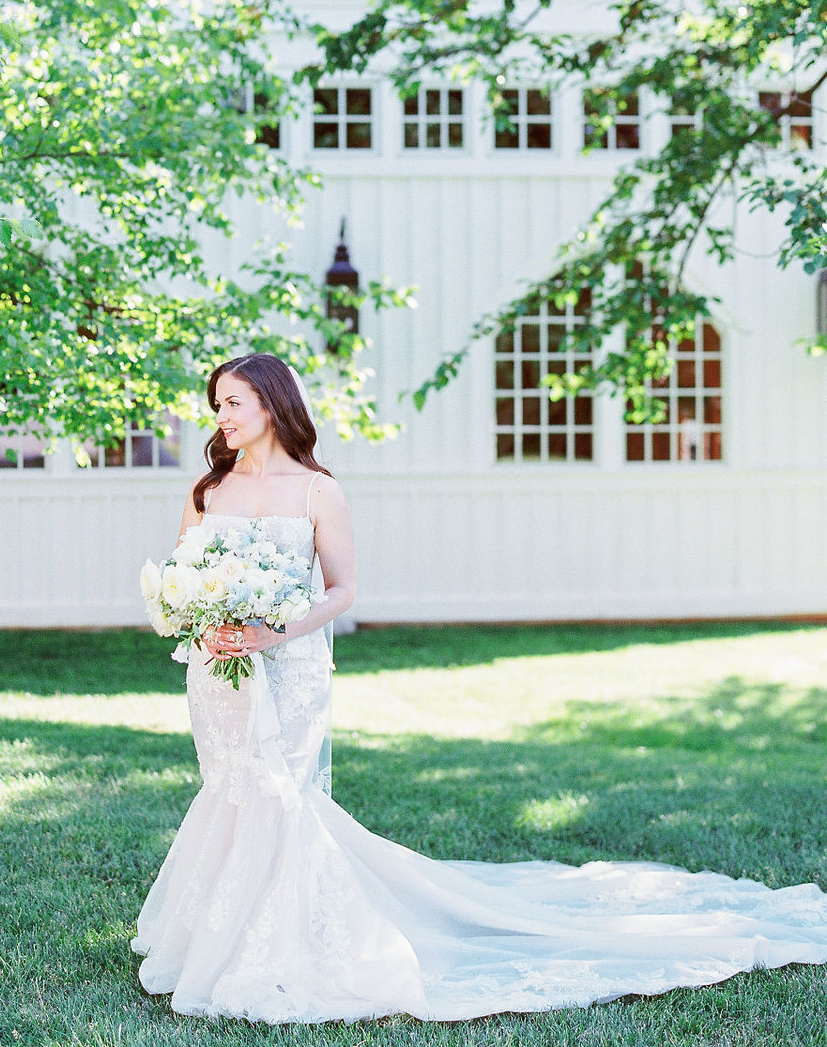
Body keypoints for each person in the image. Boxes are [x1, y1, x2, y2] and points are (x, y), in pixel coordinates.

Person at [132, 353, 827, 1023]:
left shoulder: (319, 490)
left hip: (289, 667)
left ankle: (281, 946)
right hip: (219, 670)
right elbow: (187, 575)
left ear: (272, 405)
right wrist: (205, 624)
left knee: (281, 792)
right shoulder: (208, 491)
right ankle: (218, 937)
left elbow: (343, 590)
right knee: (231, 785)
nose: (219, 416)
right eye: (216, 404)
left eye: (232, 402)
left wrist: (274, 633)